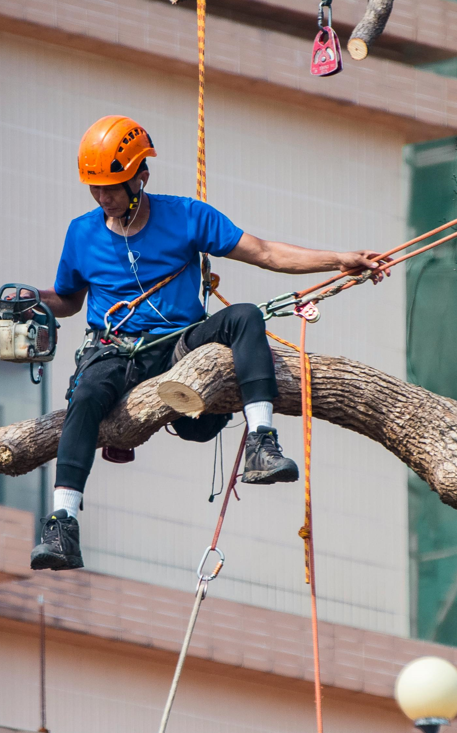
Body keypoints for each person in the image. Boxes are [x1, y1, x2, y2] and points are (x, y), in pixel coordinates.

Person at [30, 115, 389, 571]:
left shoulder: (184, 217)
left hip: (180, 345)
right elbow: (68, 300)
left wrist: (339, 260)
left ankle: (262, 442)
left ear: (141, 176)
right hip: (116, 351)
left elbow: (264, 252)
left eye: (113, 187)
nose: (104, 198)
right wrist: (32, 299)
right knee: (84, 397)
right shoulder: (81, 233)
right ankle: (63, 523)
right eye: (95, 188)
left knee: (244, 316)